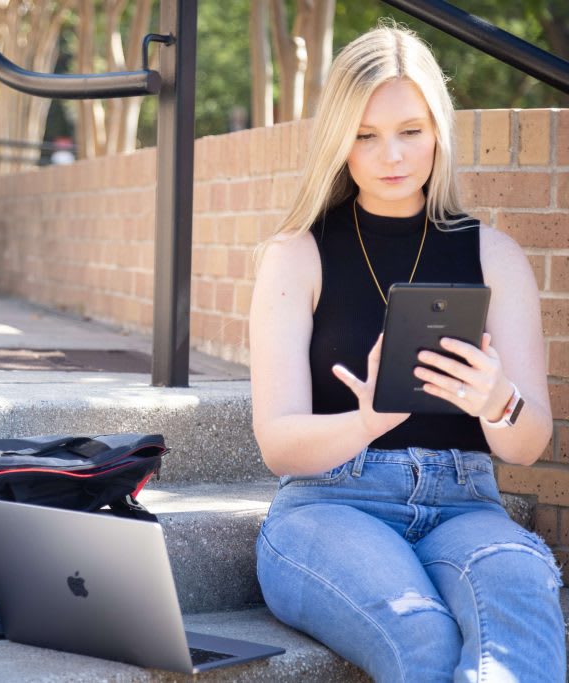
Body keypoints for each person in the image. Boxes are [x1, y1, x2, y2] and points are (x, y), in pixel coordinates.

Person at [248, 22, 565, 682]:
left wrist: (495, 398)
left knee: (520, 602)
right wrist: (368, 419)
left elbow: (528, 442)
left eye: (410, 131)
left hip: (466, 504)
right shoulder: (296, 254)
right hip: (329, 507)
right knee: (423, 634)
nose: (390, 154)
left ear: (438, 130)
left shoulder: (493, 256)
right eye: (365, 135)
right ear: (339, 138)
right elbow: (278, 441)